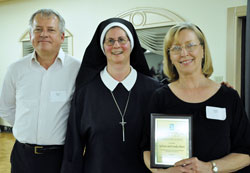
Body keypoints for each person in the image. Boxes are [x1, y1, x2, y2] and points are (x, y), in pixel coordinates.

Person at [143, 22, 250, 172]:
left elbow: (245, 153)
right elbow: (147, 148)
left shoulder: (228, 97)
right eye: (176, 48)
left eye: (190, 45)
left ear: (203, 50)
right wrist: (163, 172)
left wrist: (209, 167)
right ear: (170, 57)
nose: (184, 53)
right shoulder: (160, 98)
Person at [61, 18, 161, 173]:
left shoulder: (154, 90)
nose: (116, 45)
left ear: (131, 44)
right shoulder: (85, 93)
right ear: (102, 47)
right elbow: (73, 147)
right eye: (110, 41)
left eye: (122, 39)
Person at [0, 9, 80, 173]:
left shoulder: (77, 69)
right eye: (38, 29)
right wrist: (26, 126)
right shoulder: (15, 69)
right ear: (31, 35)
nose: (44, 34)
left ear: (62, 36)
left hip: (61, 156)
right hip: (23, 156)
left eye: (51, 30)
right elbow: (6, 107)